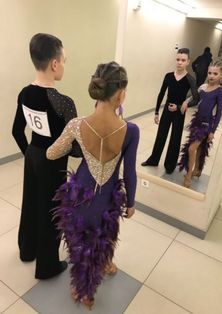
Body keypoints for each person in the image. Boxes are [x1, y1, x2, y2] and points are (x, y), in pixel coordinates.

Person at [46, 61, 139, 309]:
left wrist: (76, 142)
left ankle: (82, 287)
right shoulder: (130, 130)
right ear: (120, 94)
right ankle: (93, 280)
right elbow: (129, 172)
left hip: (79, 195)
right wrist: (130, 203)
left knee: (81, 243)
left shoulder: (76, 124)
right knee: (106, 234)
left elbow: (51, 154)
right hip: (107, 199)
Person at [12, 33, 79, 279]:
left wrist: (31, 154)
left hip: (33, 157)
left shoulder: (24, 93)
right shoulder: (64, 102)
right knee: (52, 210)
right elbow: (76, 147)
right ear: (54, 64)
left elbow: (16, 130)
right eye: (64, 60)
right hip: (53, 165)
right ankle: (47, 266)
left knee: (30, 202)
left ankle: (27, 249)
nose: (64, 65)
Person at [141, 48, 199, 174]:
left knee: (175, 138)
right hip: (167, 111)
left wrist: (184, 104)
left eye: (183, 60)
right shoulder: (168, 76)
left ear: (188, 62)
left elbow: (196, 99)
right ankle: (153, 160)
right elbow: (161, 94)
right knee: (161, 135)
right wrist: (156, 112)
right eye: (178, 59)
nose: (179, 62)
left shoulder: (190, 79)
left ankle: (170, 165)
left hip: (179, 113)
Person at [179, 60, 222, 188]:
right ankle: (196, 171)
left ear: (221, 75)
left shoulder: (220, 91)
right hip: (197, 121)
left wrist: (212, 130)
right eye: (209, 73)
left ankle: (188, 175)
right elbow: (194, 97)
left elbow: (219, 112)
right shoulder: (203, 87)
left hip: (206, 124)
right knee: (199, 148)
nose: (211, 76)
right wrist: (186, 102)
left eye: (215, 74)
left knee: (192, 148)